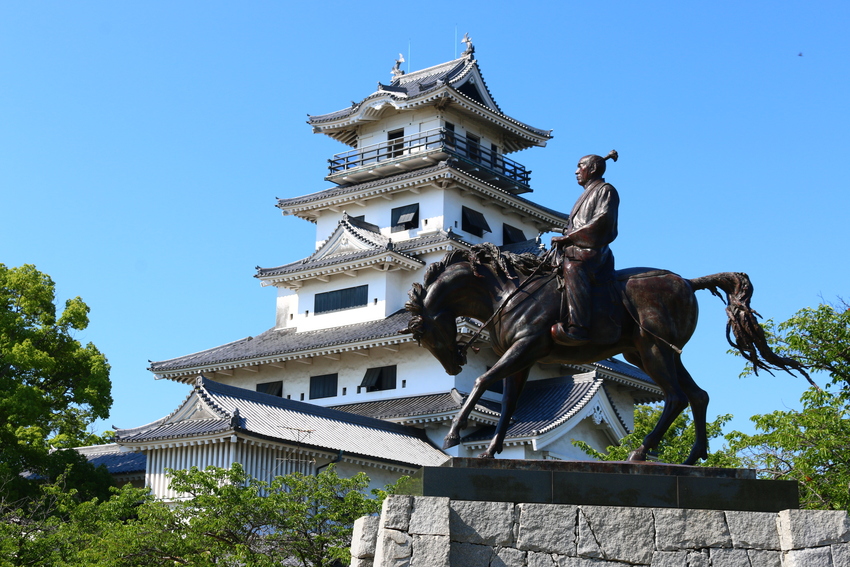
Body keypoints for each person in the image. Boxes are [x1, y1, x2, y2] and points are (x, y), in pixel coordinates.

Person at [550, 150, 619, 346]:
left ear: (593, 168)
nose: (576, 171)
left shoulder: (606, 190)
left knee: (572, 269)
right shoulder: (587, 194)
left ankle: (578, 327)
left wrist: (569, 237)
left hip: (592, 251)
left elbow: (603, 221)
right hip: (575, 247)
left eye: (580, 166)